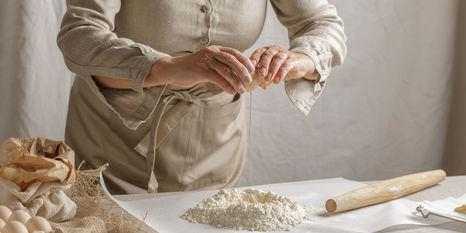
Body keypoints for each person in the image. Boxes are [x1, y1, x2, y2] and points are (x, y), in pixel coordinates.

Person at [57, 0, 347, 194]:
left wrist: (300, 59)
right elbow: (79, 33)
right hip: (112, 146)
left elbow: (321, 23)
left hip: (217, 148)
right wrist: (165, 68)